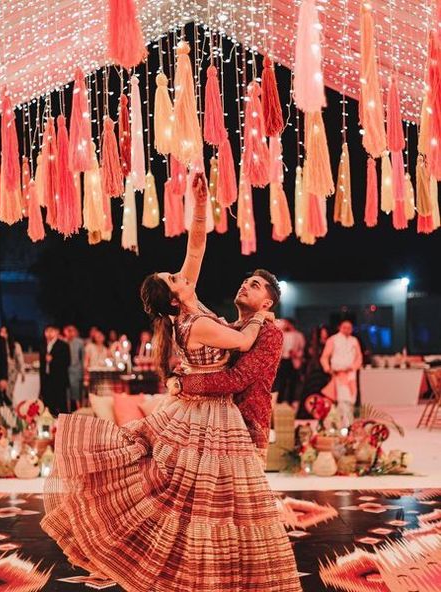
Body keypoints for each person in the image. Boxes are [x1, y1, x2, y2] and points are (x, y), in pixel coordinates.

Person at [41, 173, 301, 592]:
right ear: (175, 295)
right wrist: (260, 321)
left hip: (211, 412)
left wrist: (199, 205)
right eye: (175, 278)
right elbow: (238, 343)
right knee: (197, 500)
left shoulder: (188, 307)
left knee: (207, 501)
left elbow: (196, 246)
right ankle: (193, 573)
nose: (182, 275)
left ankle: (206, 570)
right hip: (208, 415)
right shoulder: (197, 321)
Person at [169, 270, 284, 460]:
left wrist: (185, 384)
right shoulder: (229, 328)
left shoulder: (270, 333)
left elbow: (237, 379)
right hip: (213, 421)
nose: (244, 286)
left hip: (247, 425)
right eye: (245, 282)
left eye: (254, 285)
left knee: (242, 489)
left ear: (267, 304)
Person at [320, 319, 363, 427]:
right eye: (345, 327)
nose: (347, 330)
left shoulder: (354, 340)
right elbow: (324, 357)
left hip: (351, 374)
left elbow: (359, 357)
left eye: (349, 328)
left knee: (351, 399)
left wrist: (353, 367)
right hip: (338, 374)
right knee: (342, 399)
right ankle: (343, 425)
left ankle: (348, 424)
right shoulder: (333, 339)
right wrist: (328, 369)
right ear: (340, 327)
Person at [298, 325, 331, 419]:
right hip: (313, 374)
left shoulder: (328, 345)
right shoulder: (312, 346)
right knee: (311, 398)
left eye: (326, 335)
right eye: (323, 335)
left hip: (323, 375)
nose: (324, 337)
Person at [39, 325, 71, 416]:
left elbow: (67, 362)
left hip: (59, 379)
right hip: (46, 378)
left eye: (51, 331)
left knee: (61, 404)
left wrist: (53, 360)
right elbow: (42, 365)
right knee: (48, 404)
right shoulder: (43, 345)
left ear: (57, 332)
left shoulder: (63, 345)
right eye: (47, 331)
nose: (49, 333)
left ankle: (64, 425)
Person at [275, 318, 305, 405]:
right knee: (282, 381)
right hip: (284, 360)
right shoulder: (282, 334)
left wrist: (296, 354)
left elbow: (302, 349)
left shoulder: (298, 335)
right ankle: (279, 401)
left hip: (294, 360)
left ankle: (291, 401)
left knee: (293, 381)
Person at [0, 326, 25, 404]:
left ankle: (11, 410)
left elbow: (20, 359)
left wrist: (23, 373)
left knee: (9, 393)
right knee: (1, 394)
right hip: (1, 372)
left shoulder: (15, 345)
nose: (2, 334)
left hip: (12, 372)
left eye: (4, 332)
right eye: (1, 332)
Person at [63, 325, 84, 411]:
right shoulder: (63, 342)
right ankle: (67, 412)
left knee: (76, 393)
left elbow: (82, 358)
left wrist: (82, 370)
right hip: (65, 371)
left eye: (72, 331)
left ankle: (79, 411)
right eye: (68, 331)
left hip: (76, 371)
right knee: (66, 393)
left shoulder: (79, 342)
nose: (70, 333)